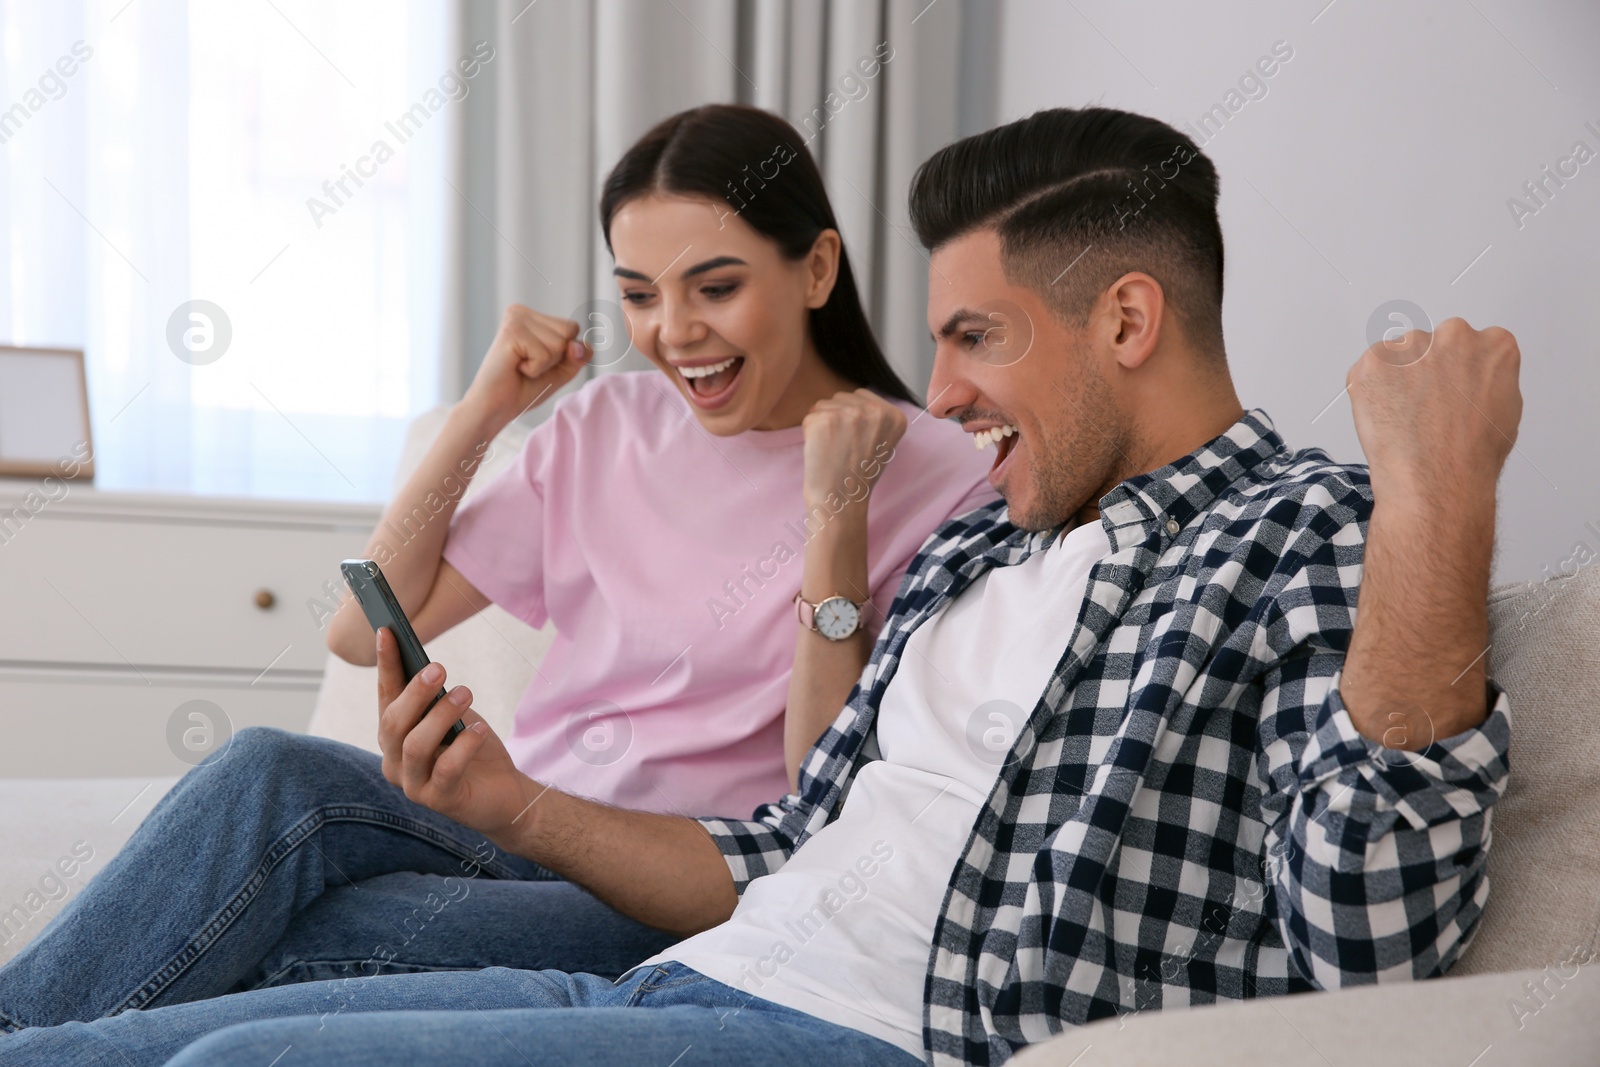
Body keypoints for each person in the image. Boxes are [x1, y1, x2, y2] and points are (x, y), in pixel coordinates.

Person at [0, 106, 1519, 1067]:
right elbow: (787, 835)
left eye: (977, 340)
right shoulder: (995, 536)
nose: (941, 388)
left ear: (1127, 317)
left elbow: (1368, 926)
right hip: (707, 959)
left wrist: (1441, 494)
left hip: (849, 1020)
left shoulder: (1296, 530)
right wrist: (511, 799)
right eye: (642, 294)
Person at [0, 105, 992, 1027]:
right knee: (269, 766)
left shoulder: (942, 472)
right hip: (521, 827)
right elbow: (358, 632)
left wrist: (834, 516)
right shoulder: (609, 421)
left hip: (688, 885)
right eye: (639, 294)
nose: (674, 332)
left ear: (816, 269)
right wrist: (483, 409)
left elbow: (825, 788)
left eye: (715, 286)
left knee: (304, 931)